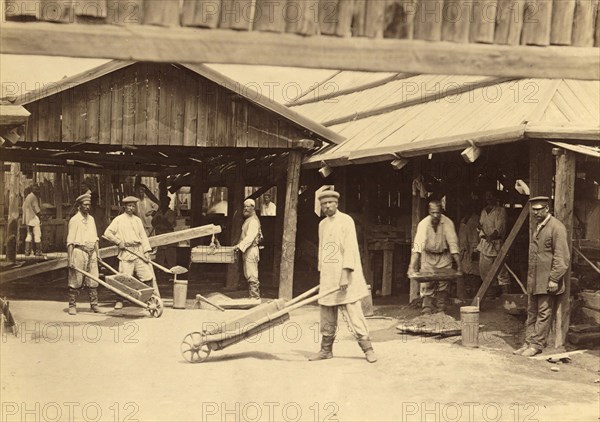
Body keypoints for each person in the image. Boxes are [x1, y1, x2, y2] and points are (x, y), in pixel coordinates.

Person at [309, 190, 377, 363]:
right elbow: (322, 250)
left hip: (345, 275)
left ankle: (368, 349)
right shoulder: (321, 224)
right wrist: (321, 270)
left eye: (330, 203)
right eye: (323, 204)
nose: (327, 206)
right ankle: (326, 350)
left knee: (354, 313)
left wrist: (345, 274)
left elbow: (350, 249)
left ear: (336, 203)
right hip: (328, 275)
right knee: (326, 312)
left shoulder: (346, 221)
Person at [514, 196, 570, 357]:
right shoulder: (537, 226)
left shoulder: (556, 227)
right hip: (534, 278)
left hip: (547, 280)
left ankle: (536, 345)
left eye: (539, 209)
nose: (536, 212)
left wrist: (554, 278)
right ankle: (527, 342)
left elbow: (562, 257)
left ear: (547, 209)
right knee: (532, 311)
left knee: (544, 312)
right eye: (534, 209)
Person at [408, 200, 462, 315]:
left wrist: (459, 267)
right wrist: (411, 267)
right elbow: (417, 247)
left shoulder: (448, 223)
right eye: (433, 212)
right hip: (428, 256)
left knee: (443, 284)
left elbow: (453, 246)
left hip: (444, 256)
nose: (436, 215)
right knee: (427, 284)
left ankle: (441, 311)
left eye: (438, 212)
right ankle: (427, 310)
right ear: (429, 212)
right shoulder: (423, 224)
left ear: (441, 211)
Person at [104, 196, 155, 310]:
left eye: (133, 206)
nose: (131, 208)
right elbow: (107, 233)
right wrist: (118, 242)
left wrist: (146, 251)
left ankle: (148, 299)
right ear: (124, 207)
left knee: (147, 276)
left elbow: (143, 236)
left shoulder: (137, 220)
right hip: (126, 252)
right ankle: (119, 300)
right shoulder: (119, 220)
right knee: (124, 278)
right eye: (129, 206)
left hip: (138, 251)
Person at [67, 194, 102, 315]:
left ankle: (94, 305)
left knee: (93, 279)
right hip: (79, 251)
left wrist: (98, 254)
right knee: (75, 279)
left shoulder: (91, 219)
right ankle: (72, 305)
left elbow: (96, 238)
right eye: (85, 205)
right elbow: (70, 241)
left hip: (91, 252)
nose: (87, 207)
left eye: (89, 205)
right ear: (79, 206)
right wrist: (70, 259)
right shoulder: (74, 220)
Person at [478, 190, 510, 295]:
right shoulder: (483, 211)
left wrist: (491, 237)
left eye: (491, 196)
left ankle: (506, 297)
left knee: (501, 273)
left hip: (497, 245)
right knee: (485, 273)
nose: (489, 198)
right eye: (487, 196)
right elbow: (481, 226)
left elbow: (499, 229)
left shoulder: (501, 211)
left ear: (496, 198)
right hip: (485, 245)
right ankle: (491, 297)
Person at [235, 198, 262, 300]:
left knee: (251, 273)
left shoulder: (253, 221)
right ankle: (253, 296)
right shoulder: (248, 220)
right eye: (244, 206)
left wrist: (240, 246)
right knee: (248, 272)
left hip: (251, 249)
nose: (245, 208)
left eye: (248, 207)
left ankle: (255, 297)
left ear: (253, 208)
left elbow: (250, 237)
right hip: (248, 250)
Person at [151, 195, 177, 273]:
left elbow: (171, 224)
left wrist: (162, 219)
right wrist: (157, 217)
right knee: (160, 255)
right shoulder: (158, 212)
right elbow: (153, 223)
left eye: (166, 202)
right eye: (162, 202)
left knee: (170, 255)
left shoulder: (171, 213)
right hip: (160, 236)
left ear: (168, 203)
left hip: (168, 237)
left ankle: (172, 272)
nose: (164, 204)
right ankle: (159, 271)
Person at [22, 183, 42, 256]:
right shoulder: (33, 197)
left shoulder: (27, 197)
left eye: (37, 189)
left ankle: (27, 252)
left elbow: (23, 208)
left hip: (28, 219)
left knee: (29, 234)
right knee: (37, 234)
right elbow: (37, 209)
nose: (37, 191)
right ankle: (38, 252)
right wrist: (40, 217)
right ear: (32, 189)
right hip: (34, 218)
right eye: (35, 189)